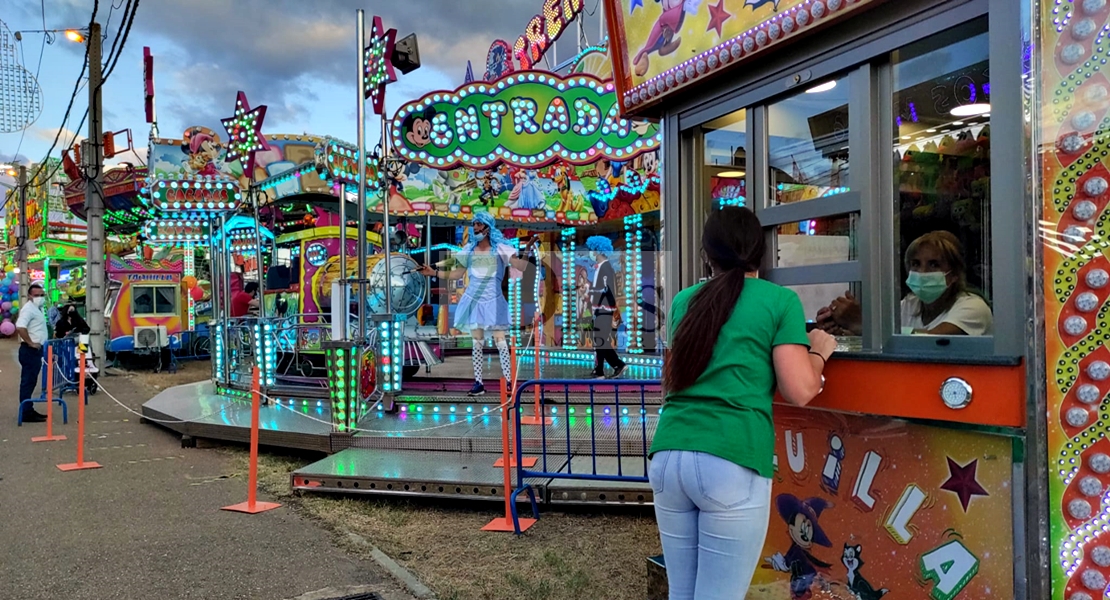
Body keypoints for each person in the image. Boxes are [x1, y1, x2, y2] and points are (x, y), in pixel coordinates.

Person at [649, 207, 836, 600]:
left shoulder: (685, 301)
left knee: (682, 593)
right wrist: (818, 351)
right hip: (732, 458)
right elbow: (801, 389)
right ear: (761, 253)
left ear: (706, 255)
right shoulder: (779, 301)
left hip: (669, 456)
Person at [418, 212, 536, 396]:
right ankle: (478, 383)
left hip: (493, 301)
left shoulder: (500, 249)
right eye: (474, 225)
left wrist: (527, 250)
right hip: (473, 300)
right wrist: (433, 273)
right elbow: (457, 274)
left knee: (501, 342)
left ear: (488, 228)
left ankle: (509, 382)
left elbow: (520, 266)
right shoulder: (469, 251)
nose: (476, 228)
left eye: (479, 225)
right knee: (477, 343)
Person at [816, 231, 992, 336]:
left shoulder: (973, 307)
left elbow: (935, 341)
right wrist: (843, 328)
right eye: (915, 264)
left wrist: (862, 324)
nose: (921, 272)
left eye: (933, 264)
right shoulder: (910, 304)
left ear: (954, 274)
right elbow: (887, 339)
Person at [585, 236, 627, 379]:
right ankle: (615, 365)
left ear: (597, 250)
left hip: (604, 309)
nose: (591, 253)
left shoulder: (606, 267)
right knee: (601, 340)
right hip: (601, 308)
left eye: (592, 250)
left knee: (600, 340)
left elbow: (607, 290)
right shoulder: (602, 267)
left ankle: (601, 370)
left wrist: (612, 309)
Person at [16, 284, 49, 422]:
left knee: (31, 380)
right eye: (36, 295)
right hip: (30, 350)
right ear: (29, 296)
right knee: (28, 381)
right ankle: (26, 412)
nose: (40, 298)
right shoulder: (28, 309)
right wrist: (30, 342)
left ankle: (28, 409)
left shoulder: (37, 309)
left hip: (35, 350)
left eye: (42, 295)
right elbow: (20, 327)